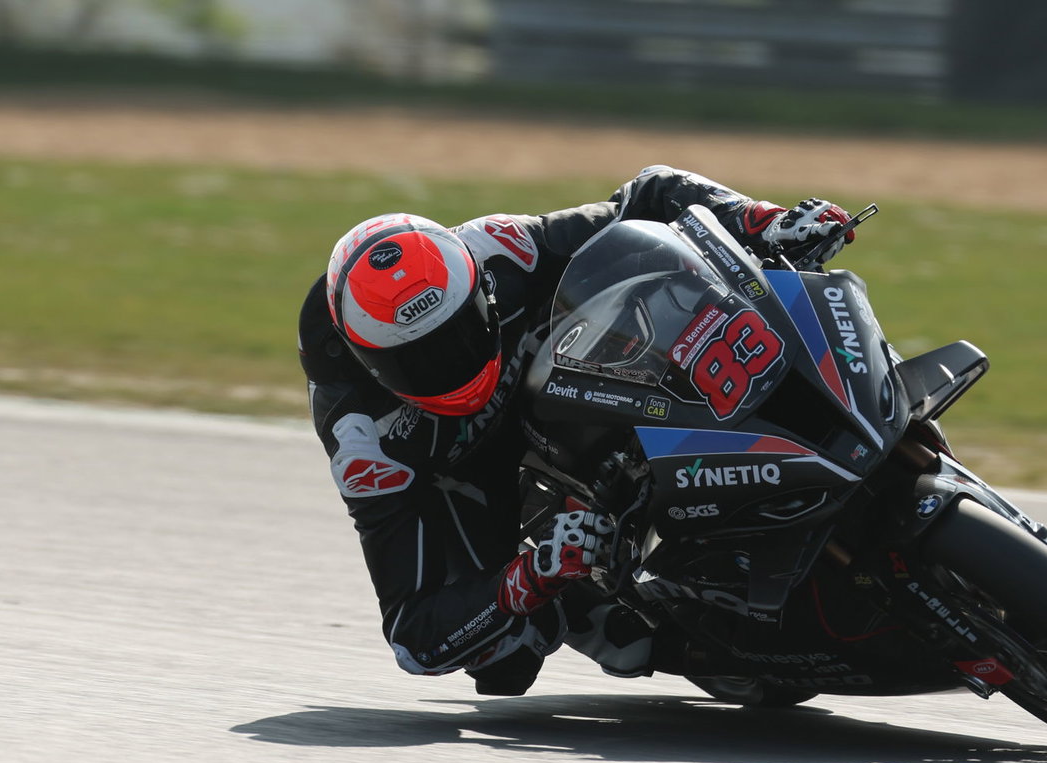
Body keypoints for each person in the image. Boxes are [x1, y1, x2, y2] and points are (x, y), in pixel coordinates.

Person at [298, 165, 855, 696]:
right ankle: (677, 637)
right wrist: (530, 576)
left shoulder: (499, 249)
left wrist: (760, 220)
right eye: (419, 362)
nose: (454, 365)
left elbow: (647, 196)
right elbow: (412, 634)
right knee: (506, 661)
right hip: (467, 473)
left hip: (567, 382)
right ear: (369, 363)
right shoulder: (364, 442)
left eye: (461, 333)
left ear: (478, 290)